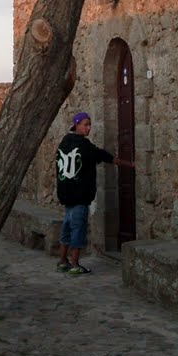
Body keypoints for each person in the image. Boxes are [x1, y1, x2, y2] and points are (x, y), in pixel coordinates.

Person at [55, 111, 134, 275]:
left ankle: (63, 261)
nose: (88, 128)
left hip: (67, 196)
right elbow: (103, 155)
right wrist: (128, 164)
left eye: (90, 124)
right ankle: (75, 263)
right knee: (78, 230)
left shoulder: (64, 142)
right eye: (85, 124)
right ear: (76, 125)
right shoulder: (84, 146)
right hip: (79, 197)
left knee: (67, 229)